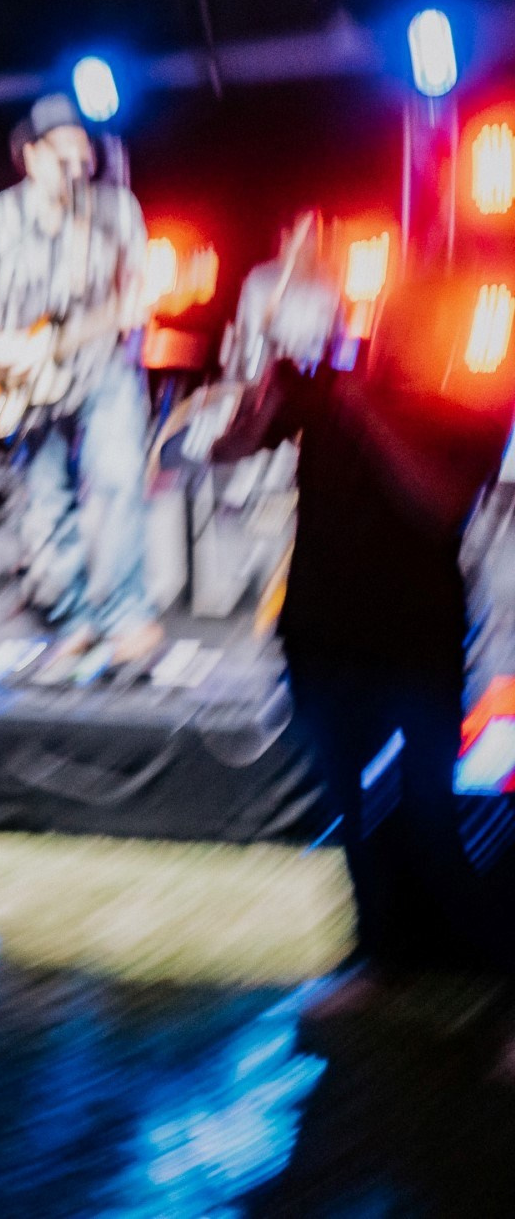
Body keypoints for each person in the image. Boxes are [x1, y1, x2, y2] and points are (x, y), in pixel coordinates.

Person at [210, 265, 515, 1027]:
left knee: (433, 824)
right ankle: (381, 959)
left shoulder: (473, 404)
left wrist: (363, 406)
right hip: (320, 637)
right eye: (379, 318)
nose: (382, 333)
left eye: (405, 324)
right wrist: (260, 397)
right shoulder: (329, 391)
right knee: (352, 815)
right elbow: (226, 452)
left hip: (415, 647)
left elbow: (440, 505)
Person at [0, 92, 157, 678]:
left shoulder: (116, 211)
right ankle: (75, 620)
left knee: (116, 482)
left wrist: (138, 303)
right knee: (45, 506)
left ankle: (126, 617)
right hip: (24, 382)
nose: (74, 158)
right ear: (31, 156)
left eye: (80, 146)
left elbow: (138, 292)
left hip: (102, 367)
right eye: (60, 148)